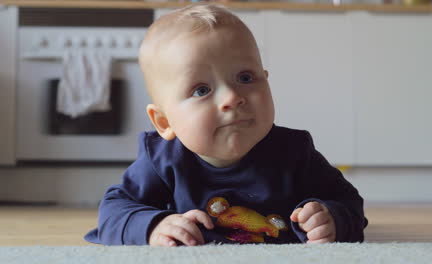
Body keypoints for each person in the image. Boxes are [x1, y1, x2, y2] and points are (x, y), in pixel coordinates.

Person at [84, 3, 368, 246]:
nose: (232, 97)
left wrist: (331, 219)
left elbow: (348, 201)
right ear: (164, 121)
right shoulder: (163, 161)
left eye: (245, 78)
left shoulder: (294, 152)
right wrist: (154, 226)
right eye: (201, 90)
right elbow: (113, 212)